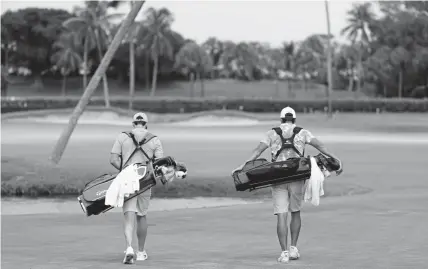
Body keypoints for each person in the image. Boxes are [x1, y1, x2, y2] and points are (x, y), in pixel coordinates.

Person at [231, 106, 342, 263]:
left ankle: (283, 253)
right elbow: (321, 147)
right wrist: (336, 158)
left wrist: (243, 165)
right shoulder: (303, 132)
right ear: (294, 119)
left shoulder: (271, 133)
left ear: (282, 119)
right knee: (295, 212)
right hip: (297, 176)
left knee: (281, 215)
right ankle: (293, 249)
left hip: (277, 178)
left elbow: (257, 151)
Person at [110, 112, 164, 264]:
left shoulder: (122, 136)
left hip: (127, 180)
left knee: (129, 215)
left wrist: (124, 171)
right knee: (141, 215)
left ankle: (128, 248)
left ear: (133, 124)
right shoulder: (154, 140)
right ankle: (140, 252)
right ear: (146, 125)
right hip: (145, 181)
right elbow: (160, 165)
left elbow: (113, 159)